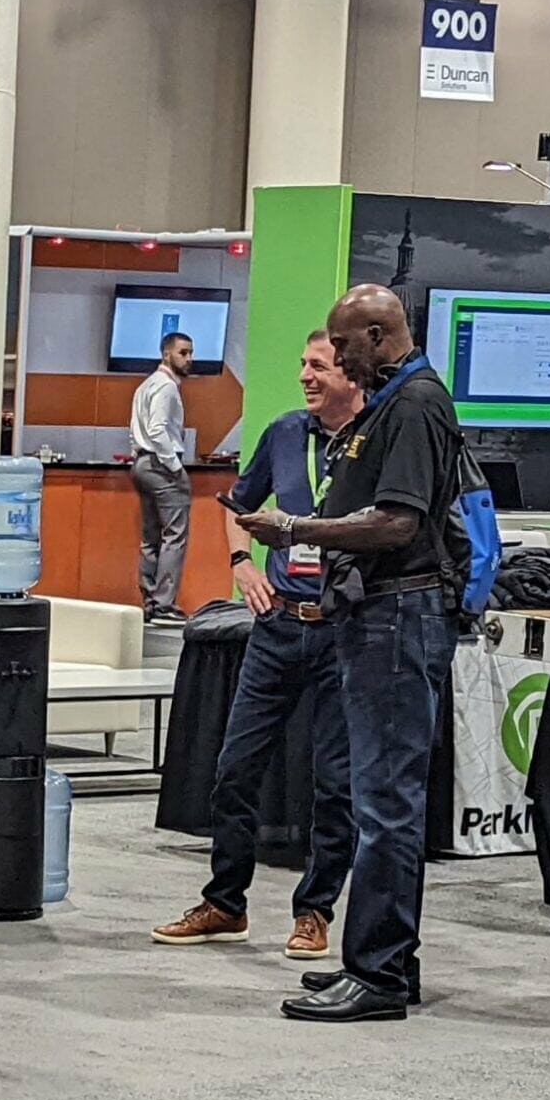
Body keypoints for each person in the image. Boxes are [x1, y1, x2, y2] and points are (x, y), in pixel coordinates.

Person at [236, 284, 462, 1025]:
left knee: (386, 806)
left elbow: (398, 522)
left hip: (398, 617)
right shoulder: (391, 403)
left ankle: (379, 974)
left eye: (341, 344)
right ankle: (384, 957)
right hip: (375, 618)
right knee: (381, 802)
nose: (332, 358)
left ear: (377, 332)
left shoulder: (418, 404)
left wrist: (297, 530)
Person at [152, 331, 364, 960]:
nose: (305, 375)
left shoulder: (375, 441)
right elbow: (235, 504)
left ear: (351, 377)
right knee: (235, 769)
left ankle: (315, 912)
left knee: (335, 783)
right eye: (302, 363)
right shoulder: (283, 433)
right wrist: (241, 561)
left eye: (319, 366)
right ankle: (225, 903)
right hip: (276, 627)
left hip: (341, 633)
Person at [129, 331, 195, 623]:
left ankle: (150, 601)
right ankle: (164, 604)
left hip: (141, 464)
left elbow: (136, 429)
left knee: (151, 536)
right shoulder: (167, 388)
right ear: (167, 354)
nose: (189, 359)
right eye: (183, 353)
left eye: (190, 353)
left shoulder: (145, 386)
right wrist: (174, 467)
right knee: (174, 535)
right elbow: (157, 430)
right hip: (161, 466)